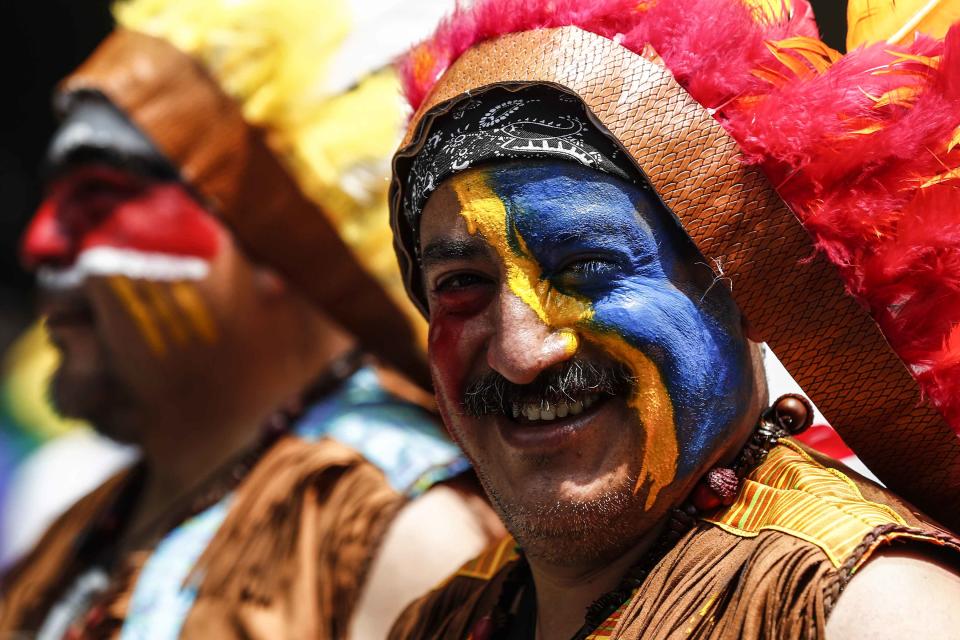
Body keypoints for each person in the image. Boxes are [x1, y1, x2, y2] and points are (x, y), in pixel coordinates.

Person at [383, 0, 960, 638]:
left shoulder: (871, 611)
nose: (519, 353)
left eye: (586, 265)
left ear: (746, 289)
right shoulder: (440, 619)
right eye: (462, 284)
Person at [0, 0, 502, 637]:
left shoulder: (397, 533)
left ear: (271, 246)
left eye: (100, 196)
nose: (40, 241)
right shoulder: (78, 532)